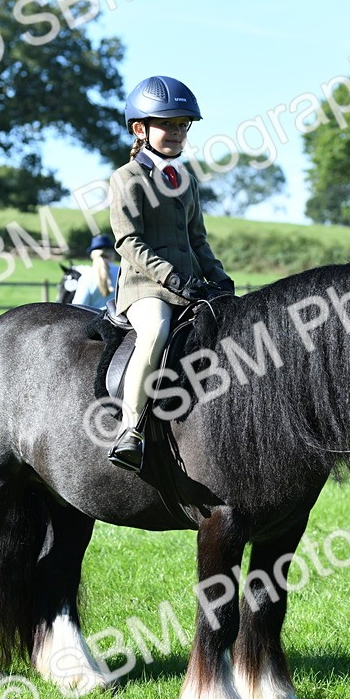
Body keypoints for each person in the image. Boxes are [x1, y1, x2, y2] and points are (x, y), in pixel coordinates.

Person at [106, 75, 235, 472]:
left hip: (190, 286)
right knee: (157, 330)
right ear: (140, 129)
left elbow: (198, 241)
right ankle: (130, 431)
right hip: (145, 287)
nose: (177, 133)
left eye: (182, 126)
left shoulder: (187, 181)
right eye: (168, 125)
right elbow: (128, 242)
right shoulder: (126, 179)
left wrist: (221, 280)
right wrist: (174, 279)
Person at [71, 234, 121, 310]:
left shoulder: (86, 277)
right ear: (111, 254)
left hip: (94, 320)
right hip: (119, 320)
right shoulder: (121, 272)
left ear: (93, 255)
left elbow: (77, 308)